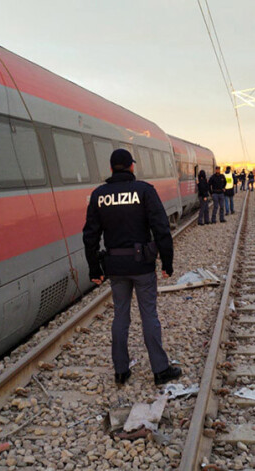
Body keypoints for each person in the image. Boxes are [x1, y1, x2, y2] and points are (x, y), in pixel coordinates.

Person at [82, 149, 182, 386]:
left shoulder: (99, 195)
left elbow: (90, 236)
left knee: (120, 317)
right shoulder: (144, 191)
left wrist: (94, 269)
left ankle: (120, 370)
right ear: (131, 167)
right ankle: (160, 370)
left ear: (111, 168)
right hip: (143, 265)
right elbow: (161, 229)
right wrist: (167, 263)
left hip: (115, 267)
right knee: (149, 315)